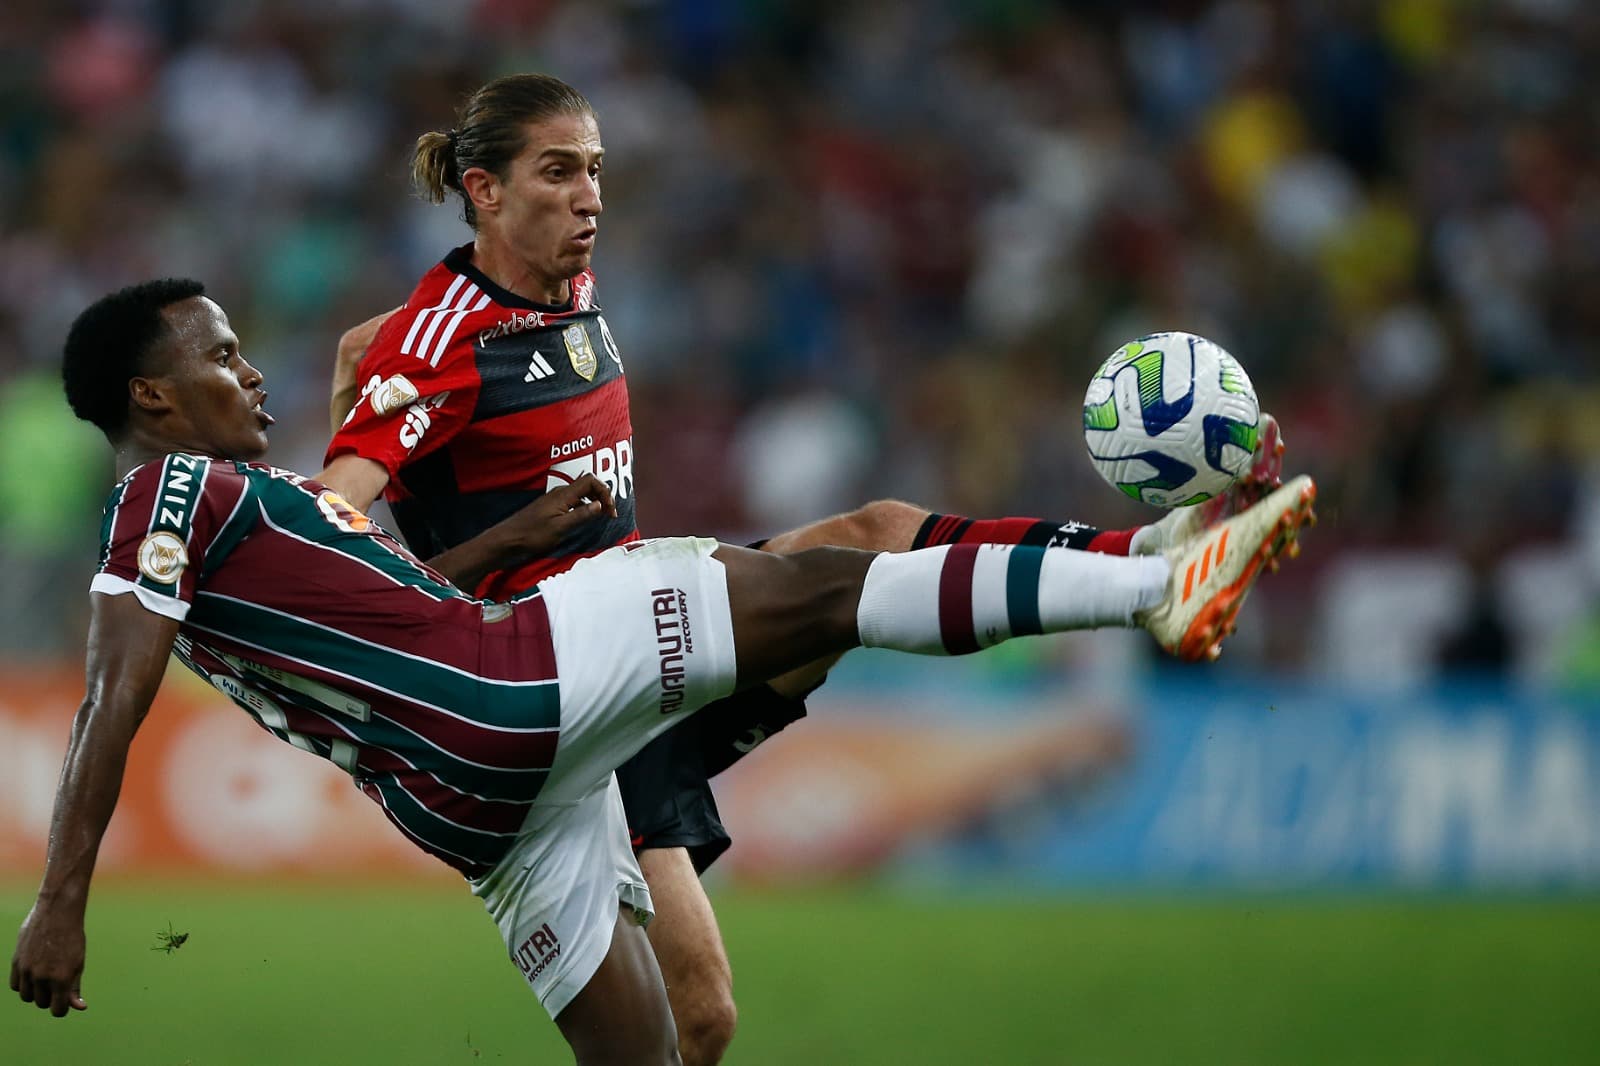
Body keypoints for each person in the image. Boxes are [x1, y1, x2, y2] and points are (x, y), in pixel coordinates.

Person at [11, 280, 1313, 1065]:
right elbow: (115, 692)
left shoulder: (271, 504)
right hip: (517, 679)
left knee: (651, 1054)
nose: (248, 370)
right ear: (154, 397)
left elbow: (402, 610)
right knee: (829, 582)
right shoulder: (168, 492)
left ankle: (1150, 566)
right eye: (218, 353)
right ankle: (1152, 579)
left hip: (476, 810)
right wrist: (59, 900)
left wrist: (515, 533)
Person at [320, 73, 1293, 1063]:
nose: (591, 198)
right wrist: (469, 562)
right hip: (563, 698)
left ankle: (1149, 555)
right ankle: (1152, 581)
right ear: (483, 191)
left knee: (871, 532)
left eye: (597, 171)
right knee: (696, 1021)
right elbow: (333, 511)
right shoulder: (445, 338)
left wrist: (368, 371)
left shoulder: (556, 282)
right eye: (558, 172)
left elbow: (364, 349)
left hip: (649, 644)